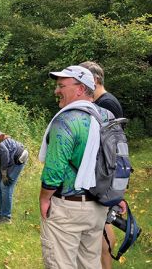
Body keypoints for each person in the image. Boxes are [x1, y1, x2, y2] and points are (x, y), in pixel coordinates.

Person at [38, 65, 126, 269]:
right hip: (97, 207)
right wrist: (118, 194)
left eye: (61, 86)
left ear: (80, 88)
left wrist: (44, 198)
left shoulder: (65, 120)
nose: (56, 90)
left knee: (61, 263)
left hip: (67, 208)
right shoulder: (107, 117)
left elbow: (54, 171)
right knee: (90, 263)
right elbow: (114, 160)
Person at [79, 61, 124, 269]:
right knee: (104, 228)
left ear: (95, 80)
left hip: (106, 176)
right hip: (106, 176)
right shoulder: (104, 101)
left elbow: (110, 147)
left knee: (102, 238)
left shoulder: (107, 104)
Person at [0, 136, 28, 225]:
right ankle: (1, 211)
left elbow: (4, 152)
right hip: (6, 159)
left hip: (16, 157)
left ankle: (6, 217)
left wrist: (4, 173)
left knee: (5, 185)